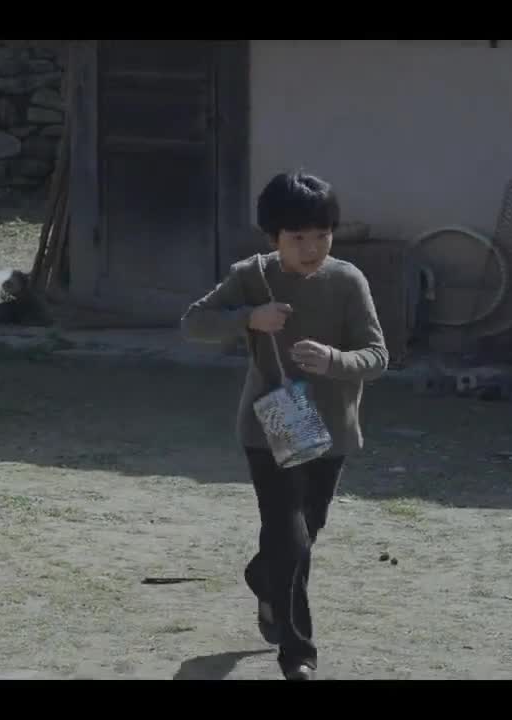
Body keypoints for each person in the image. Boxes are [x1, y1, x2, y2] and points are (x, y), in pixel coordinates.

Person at [180, 170, 388, 680]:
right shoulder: (251, 277)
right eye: (298, 238)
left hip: (331, 429)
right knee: (290, 537)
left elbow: (377, 355)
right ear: (273, 236)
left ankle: (262, 575)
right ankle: (298, 654)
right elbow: (193, 324)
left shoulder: (348, 281)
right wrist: (248, 318)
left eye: (322, 235)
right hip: (269, 425)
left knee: (303, 534)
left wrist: (336, 360)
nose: (312, 248)